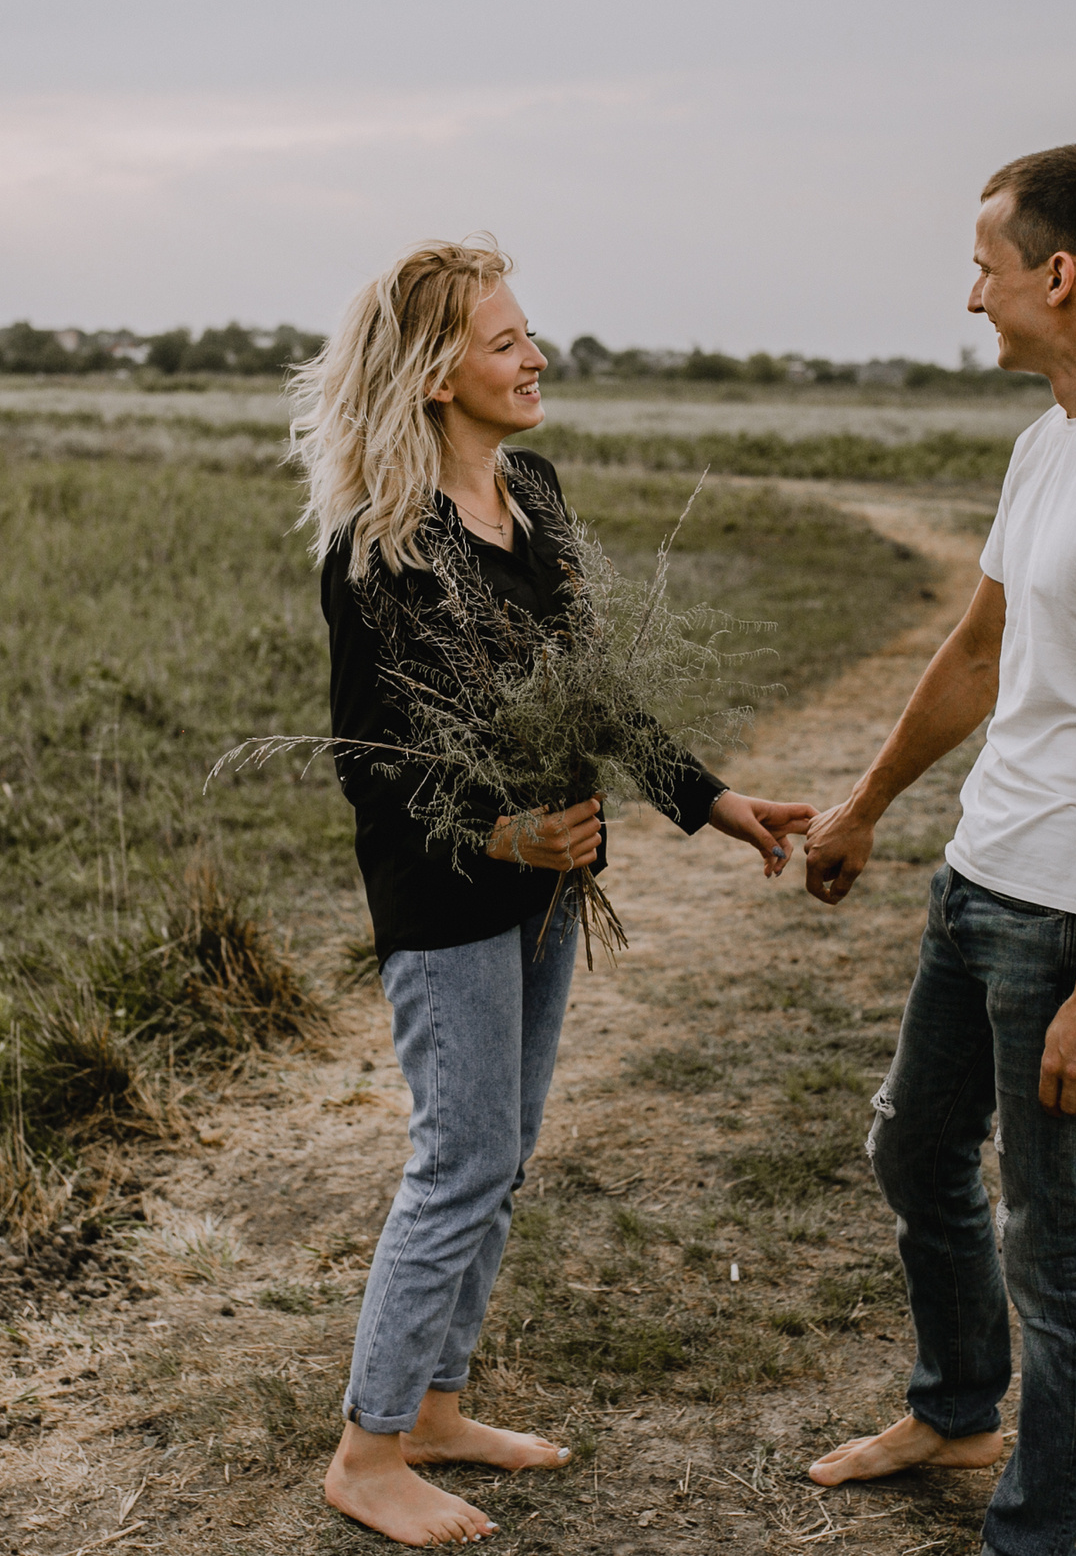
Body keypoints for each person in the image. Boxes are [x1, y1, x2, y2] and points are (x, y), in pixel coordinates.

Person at [293, 236, 816, 1547]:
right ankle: (367, 1451)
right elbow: (370, 767)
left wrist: (708, 800)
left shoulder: (533, 494)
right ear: (431, 376)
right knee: (459, 1159)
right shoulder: (379, 549)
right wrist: (499, 840)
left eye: (531, 335)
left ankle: (440, 1406)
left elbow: (596, 690)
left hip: (548, 890)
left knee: (502, 1156)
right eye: (506, 341)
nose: (536, 358)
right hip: (448, 903)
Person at [797, 145, 1076, 1556]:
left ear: (1059, 274)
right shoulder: (1052, 438)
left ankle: (1034, 1533)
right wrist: (868, 805)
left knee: (1059, 1243)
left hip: (1068, 923)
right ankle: (956, 1407)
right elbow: (984, 647)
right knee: (916, 1149)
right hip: (977, 877)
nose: (972, 296)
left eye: (986, 268)